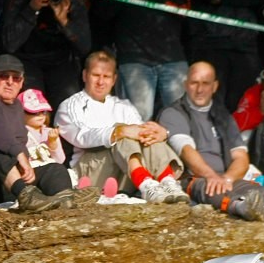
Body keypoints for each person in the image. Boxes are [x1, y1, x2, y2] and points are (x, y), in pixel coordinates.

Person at [158, 61, 264, 223]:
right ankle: (242, 207)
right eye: (194, 83)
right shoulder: (174, 113)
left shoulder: (221, 115)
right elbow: (187, 151)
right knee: (211, 188)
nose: (200, 89)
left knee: (256, 190)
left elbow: (240, 156)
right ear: (185, 84)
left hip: (225, 176)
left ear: (215, 86)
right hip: (193, 178)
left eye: (206, 83)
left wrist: (228, 178)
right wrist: (212, 176)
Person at [56, 50, 190, 204]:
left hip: (123, 172)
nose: (100, 82)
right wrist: (118, 132)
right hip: (90, 172)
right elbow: (81, 137)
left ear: (114, 80)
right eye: (95, 75)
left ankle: (168, 182)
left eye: (106, 77)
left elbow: (140, 133)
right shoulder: (70, 105)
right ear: (85, 75)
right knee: (121, 130)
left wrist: (161, 133)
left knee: (147, 133)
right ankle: (146, 186)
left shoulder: (123, 106)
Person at [0, 53, 76, 212]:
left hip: (4, 179)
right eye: (4, 76)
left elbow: (19, 139)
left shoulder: (17, 106)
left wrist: (24, 165)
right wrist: (20, 156)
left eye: (16, 78)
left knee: (53, 168)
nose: (10, 82)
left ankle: (65, 198)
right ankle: (26, 196)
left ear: (22, 82)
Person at [94, 0, 189, 122]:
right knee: (137, 119)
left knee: (180, 118)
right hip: (133, 57)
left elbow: (184, 10)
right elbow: (102, 12)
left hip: (172, 56)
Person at [0, 0, 92, 111]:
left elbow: (85, 47)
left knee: (69, 107)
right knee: (32, 105)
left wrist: (64, 21)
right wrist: (32, 9)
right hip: (27, 59)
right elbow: (9, 44)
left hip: (60, 61)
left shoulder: (72, 0)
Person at [19, 87, 65, 165]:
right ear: (20, 113)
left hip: (53, 171)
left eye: (43, 111)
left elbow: (60, 160)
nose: (40, 115)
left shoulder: (50, 132)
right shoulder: (20, 133)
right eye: (35, 112)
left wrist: (52, 142)